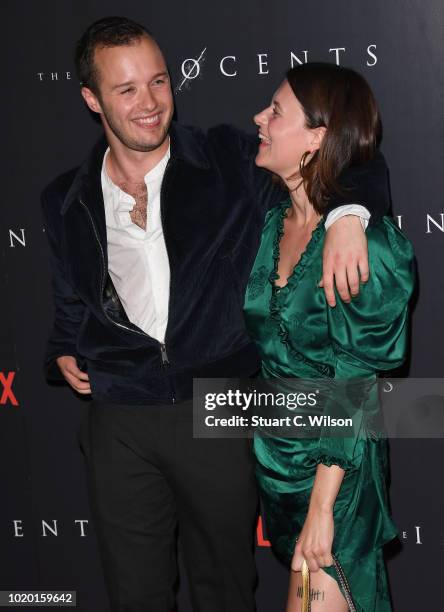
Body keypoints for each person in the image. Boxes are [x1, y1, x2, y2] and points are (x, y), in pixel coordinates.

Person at [41, 16, 391, 612]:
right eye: (127, 90)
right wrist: (63, 348)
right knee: (135, 596)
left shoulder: (229, 160)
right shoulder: (64, 198)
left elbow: (350, 155)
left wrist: (349, 215)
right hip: (119, 417)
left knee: (225, 590)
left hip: (218, 405)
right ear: (91, 99)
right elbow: (71, 301)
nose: (151, 103)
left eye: (159, 81)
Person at [243, 62, 415, 611]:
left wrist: (322, 508)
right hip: (280, 466)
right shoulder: (271, 223)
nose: (259, 118)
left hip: (334, 473)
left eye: (276, 112)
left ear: (316, 138)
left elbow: (354, 387)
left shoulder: (366, 248)